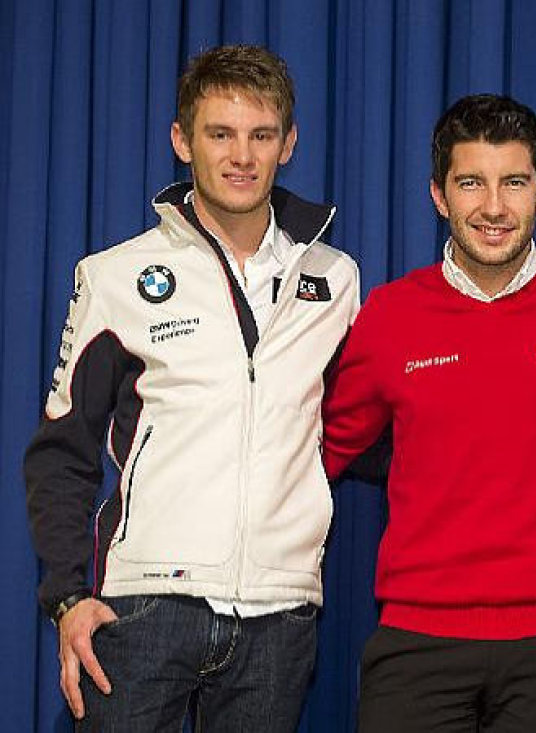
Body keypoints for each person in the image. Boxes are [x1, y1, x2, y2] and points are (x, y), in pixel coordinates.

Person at [24, 45, 359, 731]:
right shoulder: (116, 275)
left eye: (261, 135)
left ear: (288, 144)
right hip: (142, 607)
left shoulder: (336, 278)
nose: (242, 155)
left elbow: (356, 423)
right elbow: (62, 452)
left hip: (280, 611)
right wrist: (67, 598)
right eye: (220, 134)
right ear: (182, 141)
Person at [321, 94, 536, 732]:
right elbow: (317, 453)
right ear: (438, 195)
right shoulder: (390, 315)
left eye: (513, 182)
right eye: (470, 183)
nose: (492, 207)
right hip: (416, 643)